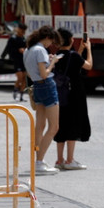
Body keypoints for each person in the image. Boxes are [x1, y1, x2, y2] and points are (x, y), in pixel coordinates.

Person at [23, 25, 63, 174]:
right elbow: (45, 74)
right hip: (46, 85)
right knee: (54, 127)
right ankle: (39, 161)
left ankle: (38, 160)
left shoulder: (28, 49)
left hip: (36, 86)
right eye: (50, 41)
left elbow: (30, 73)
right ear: (47, 38)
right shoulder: (40, 50)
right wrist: (53, 62)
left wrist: (48, 61)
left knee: (39, 125)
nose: (50, 45)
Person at [53, 29, 93, 170]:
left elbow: (73, 61)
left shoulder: (56, 56)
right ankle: (70, 159)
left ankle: (59, 159)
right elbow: (88, 65)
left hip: (59, 94)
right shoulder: (74, 56)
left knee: (61, 124)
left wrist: (80, 49)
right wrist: (88, 50)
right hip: (75, 94)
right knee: (73, 124)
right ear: (70, 40)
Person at [3, 23, 28, 101]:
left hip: (24, 60)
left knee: (24, 78)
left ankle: (21, 95)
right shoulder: (13, 38)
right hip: (17, 60)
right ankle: (15, 89)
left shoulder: (24, 39)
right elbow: (9, 49)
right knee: (20, 77)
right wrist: (17, 50)